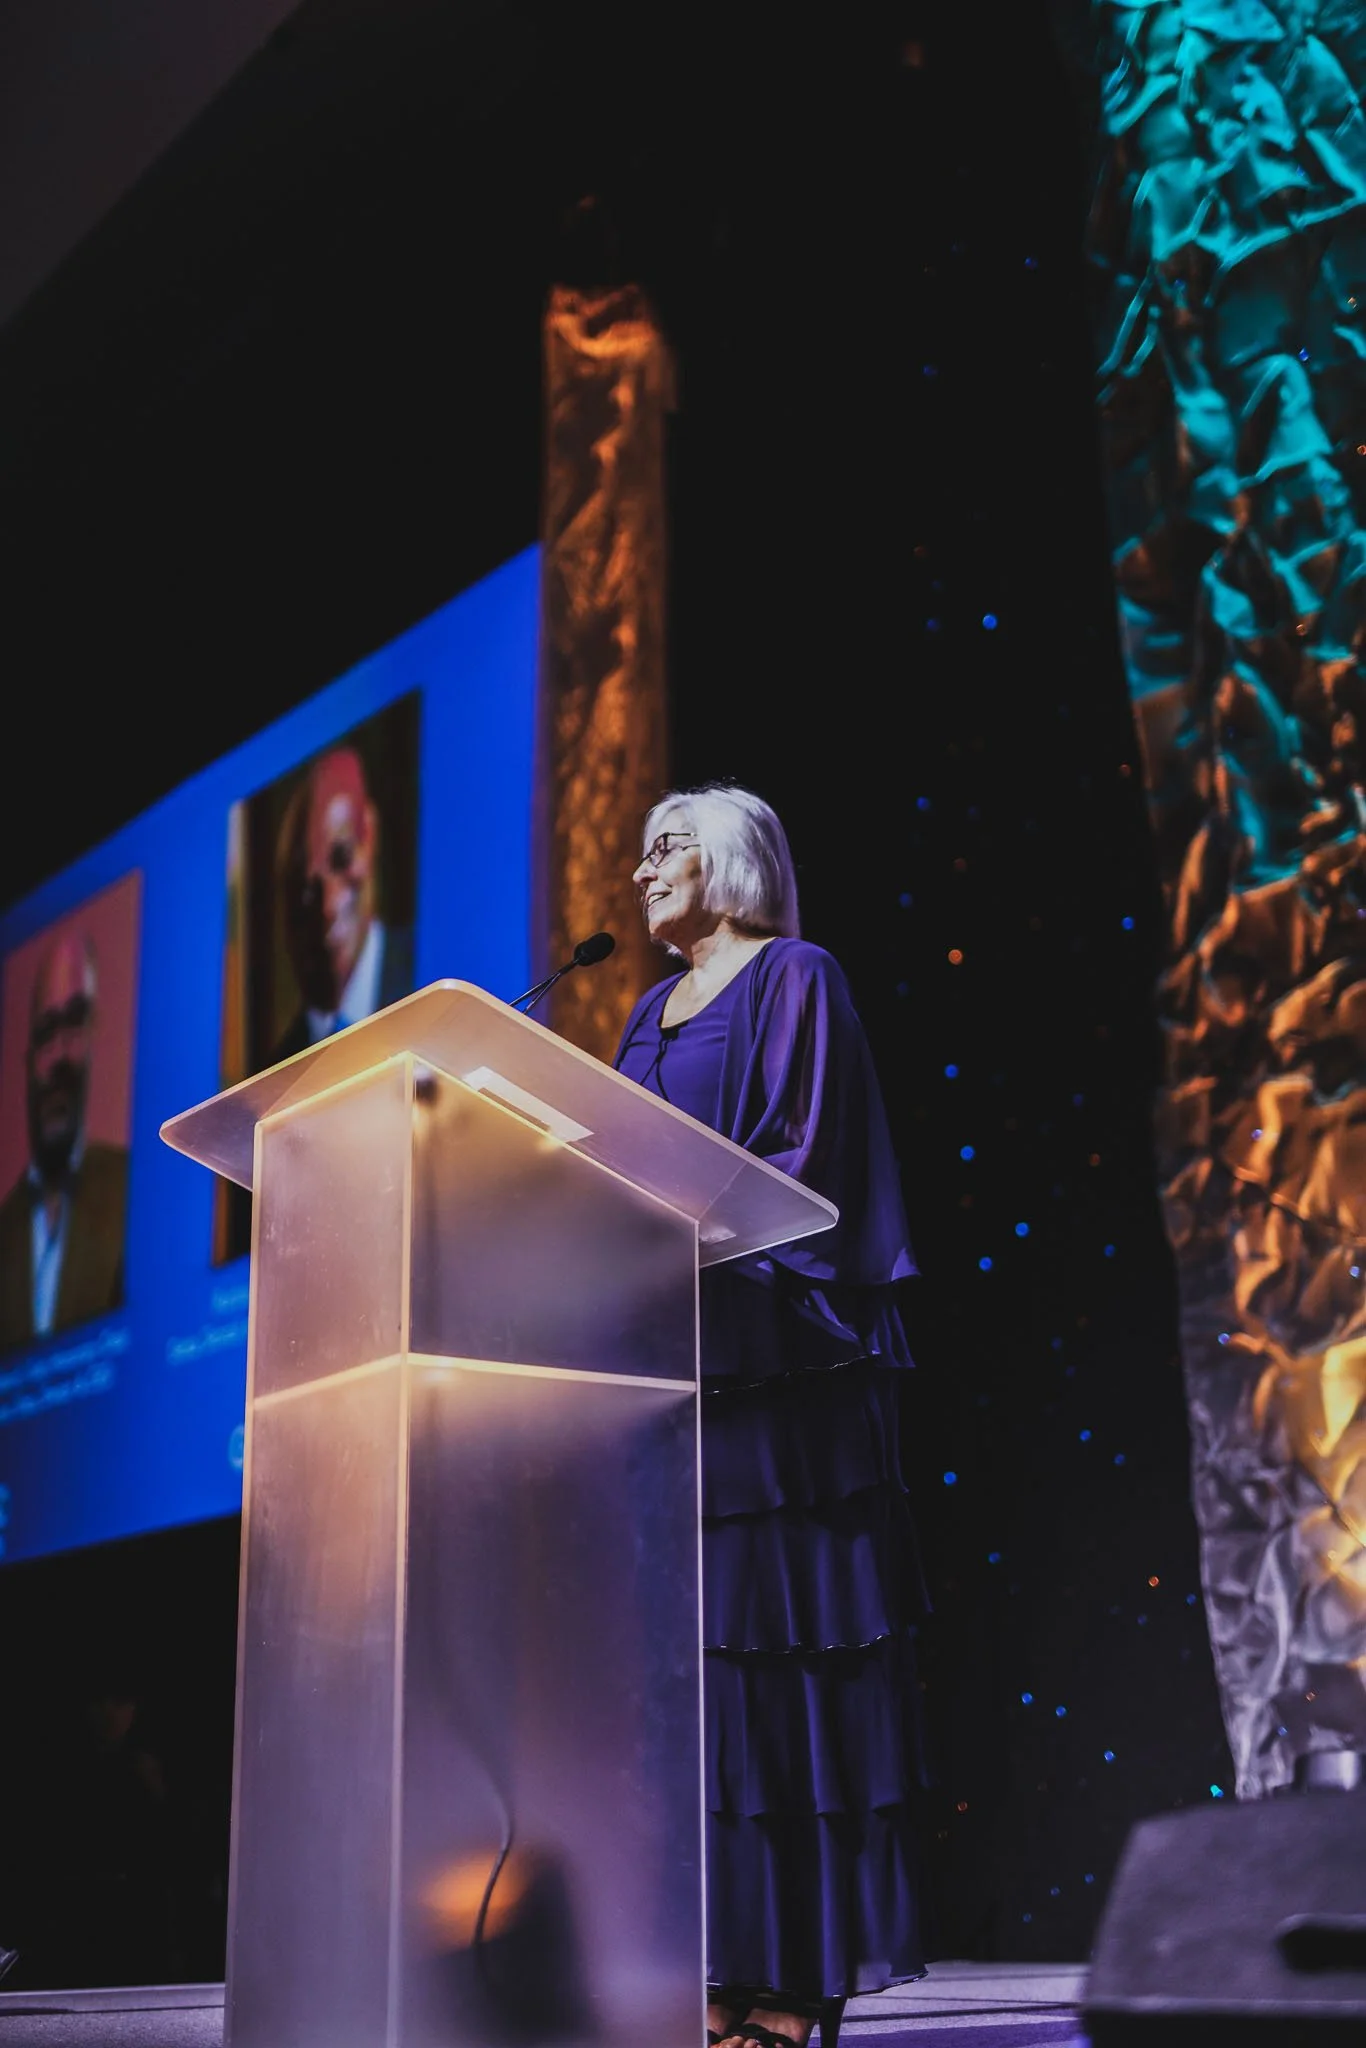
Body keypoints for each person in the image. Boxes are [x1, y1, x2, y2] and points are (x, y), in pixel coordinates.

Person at [614, 785, 927, 2048]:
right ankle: (707, 1974)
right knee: (696, 1696)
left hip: (781, 1390)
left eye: (666, 847)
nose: (642, 870)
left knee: (783, 1677)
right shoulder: (639, 1010)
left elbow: (804, 1162)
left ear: (733, 860)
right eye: (640, 852)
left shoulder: (795, 975)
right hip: (679, 1384)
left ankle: (789, 1986)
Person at [0, 932, 128, 1350]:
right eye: (45, 1033)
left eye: (74, 1023)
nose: (58, 1058)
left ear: (94, 1037)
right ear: (27, 1060)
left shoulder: (131, 1191)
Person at [265, 744, 413, 1067]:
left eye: (342, 858)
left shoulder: (435, 979)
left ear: (369, 836)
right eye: (307, 890)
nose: (328, 906)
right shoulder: (273, 1074)